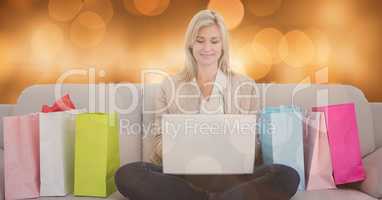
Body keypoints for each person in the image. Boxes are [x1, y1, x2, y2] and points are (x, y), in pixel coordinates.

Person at [115, 9, 300, 200]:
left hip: (232, 176)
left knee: (286, 175)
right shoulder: (169, 86)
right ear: (190, 44)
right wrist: (186, 147)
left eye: (214, 41)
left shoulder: (245, 86)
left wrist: (233, 147)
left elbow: (254, 144)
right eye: (200, 40)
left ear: (223, 46)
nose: (207, 48)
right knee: (128, 174)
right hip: (183, 176)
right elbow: (158, 142)